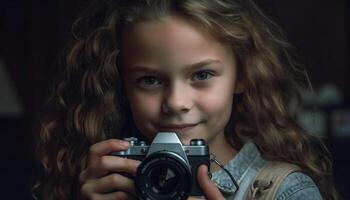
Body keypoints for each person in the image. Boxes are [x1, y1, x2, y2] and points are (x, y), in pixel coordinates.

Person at [32, 0, 339, 199]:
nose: (177, 102)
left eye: (202, 75)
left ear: (243, 74)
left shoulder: (285, 191)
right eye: (150, 80)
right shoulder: (112, 184)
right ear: (122, 85)